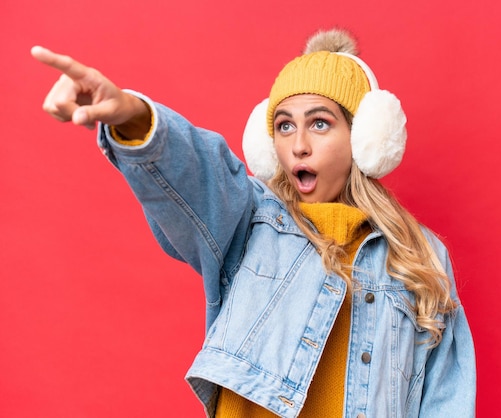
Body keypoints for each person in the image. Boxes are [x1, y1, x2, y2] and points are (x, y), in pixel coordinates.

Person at [32, 29, 476, 418]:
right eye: (284, 126)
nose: (298, 145)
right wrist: (131, 114)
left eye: (320, 124)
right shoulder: (251, 220)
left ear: (364, 139)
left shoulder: (421, 258)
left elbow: (445, 399)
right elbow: (199, 172)